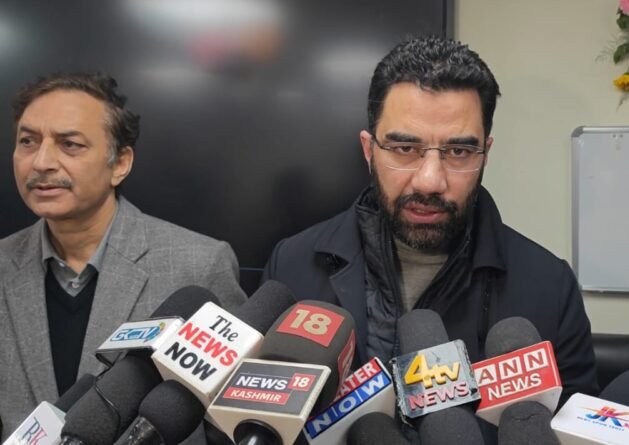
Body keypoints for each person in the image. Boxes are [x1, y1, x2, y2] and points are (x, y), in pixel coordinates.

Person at [262, 36, 598, 402]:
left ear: (485, 155)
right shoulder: (292, 265)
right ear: (368, 150)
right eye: (405, 148)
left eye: (459, 151)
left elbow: (568, 424)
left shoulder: (550, 289)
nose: (430, 181)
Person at [0, 72, 246, 437]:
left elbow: (229, 421)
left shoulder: (199, 264)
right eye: (28, 141)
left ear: (119, 163)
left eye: (70, 144)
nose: (41, 162)